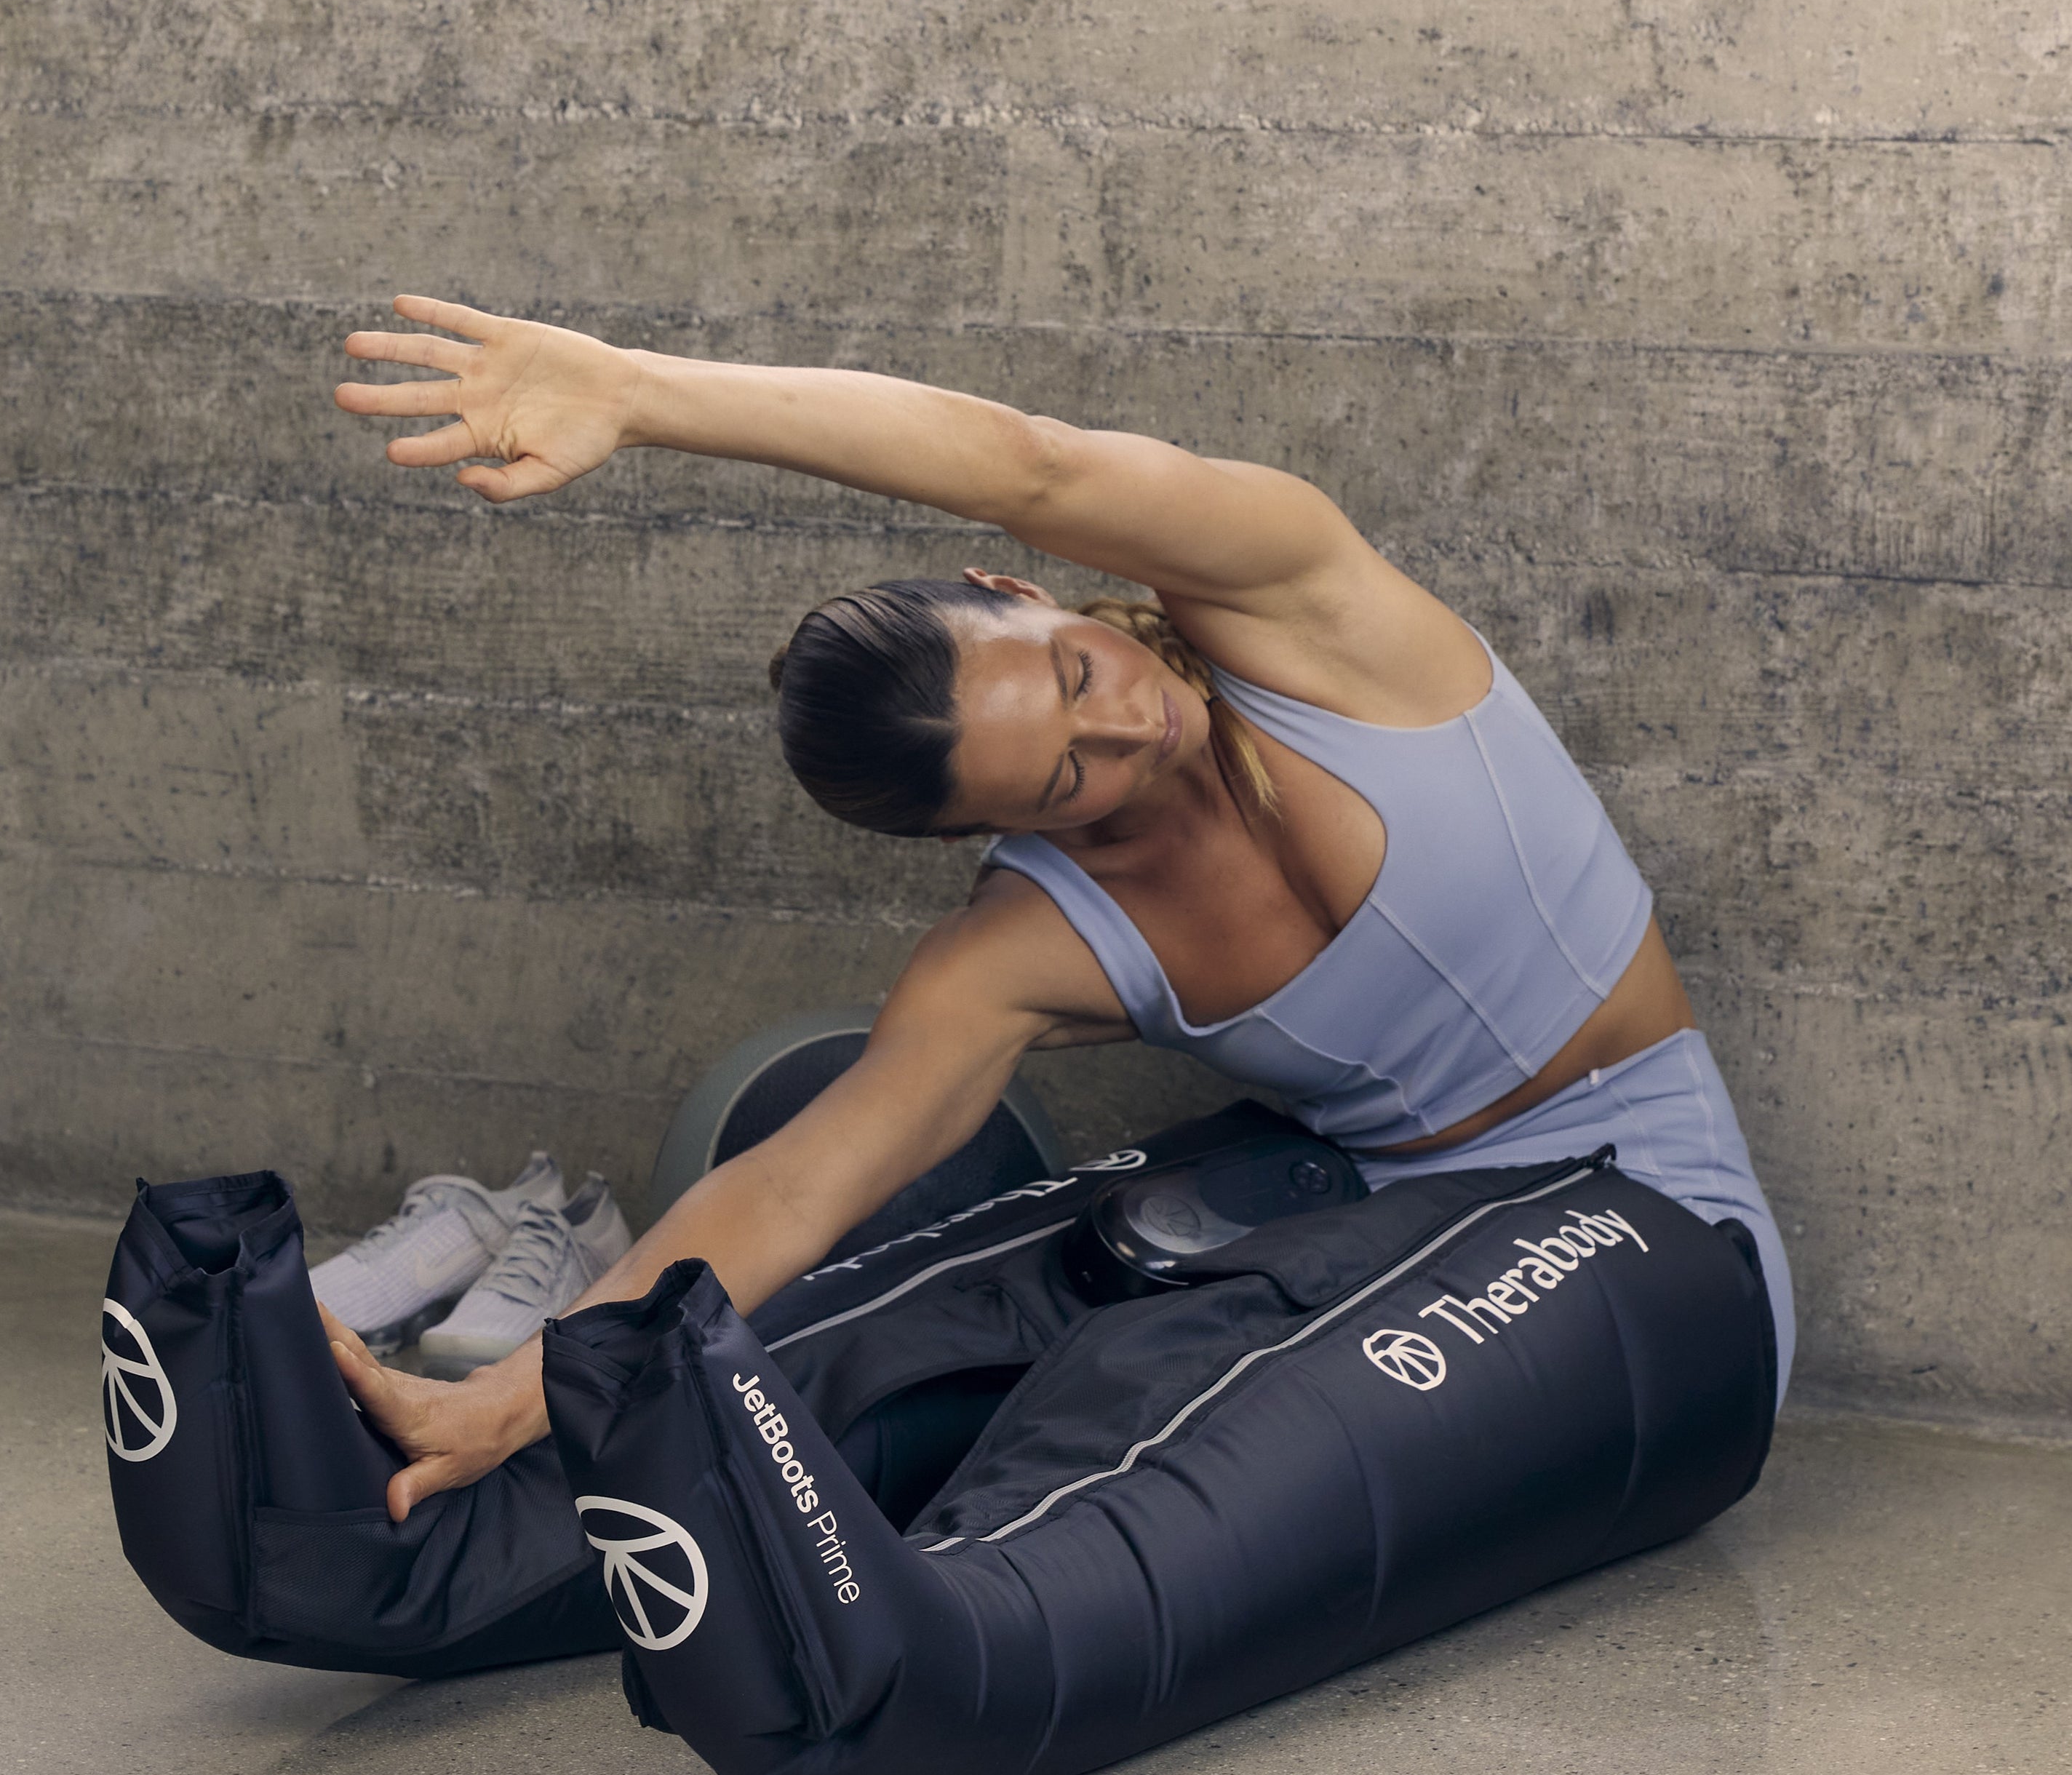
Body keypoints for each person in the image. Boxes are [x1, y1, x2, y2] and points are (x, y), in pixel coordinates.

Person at [324, 295, 1793, 1523]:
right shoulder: (1023, 946)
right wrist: (520, 1392)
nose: (1132, 728)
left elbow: (1023, 461)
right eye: (1066, 778)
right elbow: (791, 1187)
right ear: (994, 830)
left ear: (1017, 589)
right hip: (1387, 1229)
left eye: (1078, 671)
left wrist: (639, 394)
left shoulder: (1300, 604)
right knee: (1076, 1418)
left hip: (1659, 1208)